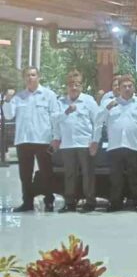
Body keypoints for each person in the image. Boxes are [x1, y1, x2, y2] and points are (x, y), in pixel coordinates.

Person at [8, 66, 61, 213]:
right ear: (24, 78)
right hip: (23, 140)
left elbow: (55, 117)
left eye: (33, 75)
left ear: (39, 77)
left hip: (43, 139)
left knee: (46, 173)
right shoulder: (18, 97)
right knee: (25, 174)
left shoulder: (49, 95)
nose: (30, 78)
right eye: (27, 75)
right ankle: (27, 202)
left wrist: (56, 137)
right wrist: (7, 100)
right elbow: (9, 115)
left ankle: (49, 201)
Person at [93, 76, 137, 212]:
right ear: (119, 88)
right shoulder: (110, 103)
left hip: (134, 145)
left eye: (130, 86)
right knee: (115, 178)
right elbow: (98, 120)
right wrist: (106, 109)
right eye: (124, 86)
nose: (127, 89)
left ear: (133, 88)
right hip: (115, 146)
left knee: (135, 177)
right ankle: (115, 203)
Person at [55, 71, 99, 213]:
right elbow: (55, 121)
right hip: (67, 144)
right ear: (67, 86)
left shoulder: (88, 101)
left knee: (88, 174)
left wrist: (95, 141)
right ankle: (70, 202)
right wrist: (66, 112)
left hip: (85, 144)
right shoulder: (60, 102)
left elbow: (97, 122)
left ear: (82, 86)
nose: (74, 87)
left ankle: (90, 202)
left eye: (77, 84)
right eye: (71, 84)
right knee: (69, 174)